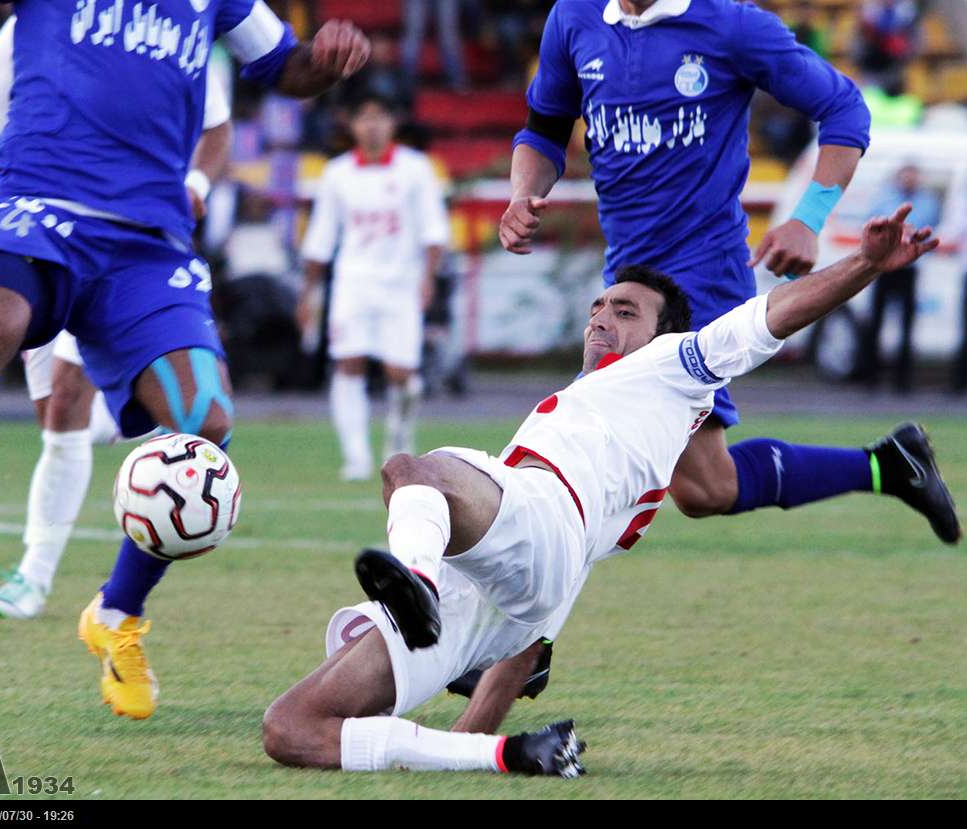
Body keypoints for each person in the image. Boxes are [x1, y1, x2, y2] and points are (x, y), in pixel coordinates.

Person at [0, 0, 369, 723]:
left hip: (147, 239)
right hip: (37, 203)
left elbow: (284, 67)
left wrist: (325, 61)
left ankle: (116, 614)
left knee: (203, 423)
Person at [263, 205, 959, 777]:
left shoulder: (668, 367)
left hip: (520, 528)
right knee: (289, 729)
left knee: (412, 471)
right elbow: (531, 633)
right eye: (598, 305)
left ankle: (410, 580)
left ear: (665, 335)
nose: (601, 315)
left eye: (624, 310)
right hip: (502, 591)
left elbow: (768, 317)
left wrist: (863, 263)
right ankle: (501, 752)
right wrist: (489, 740)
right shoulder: (606, 447)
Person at [498, 0, 902, 532]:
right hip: (627, 273)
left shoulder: (731, 25)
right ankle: (888, 466)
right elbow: (544, 128)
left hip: (699, 275)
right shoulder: (574, 18)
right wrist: (524, 194)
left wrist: (808, 218)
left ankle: (460, 554)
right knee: (706, 487)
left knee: (584, 427)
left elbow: (845, 107)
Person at [0, 16, 234, 620]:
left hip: (130, 248)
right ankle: (129, 427)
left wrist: (196, 180)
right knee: (58, 422)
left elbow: (217, 128)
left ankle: (48, 581)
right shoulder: (29, 26)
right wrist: (14, 194)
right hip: (40, 240)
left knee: (68, 399)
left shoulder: (172, 26)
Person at [299, 93, 450, 480]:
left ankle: (399, 439)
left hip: (401, 284)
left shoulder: (415, 169)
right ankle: (356, 457)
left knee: (403, 374)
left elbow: (434, 231)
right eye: (364, 117)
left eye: (379, 117)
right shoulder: (337, 174)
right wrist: (309, 293)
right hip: (352, 283)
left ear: (392, 122)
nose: (372, 125)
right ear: (351, 125)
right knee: (348, 364)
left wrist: (428, 279)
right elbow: (321, 238)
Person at [857, 162, 941, 392]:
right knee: (876, 322)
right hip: (884, 269)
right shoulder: (884, 197)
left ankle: (902, 380)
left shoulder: (927, 200)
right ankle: (870, 375)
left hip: (909, 269)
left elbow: (930, 225)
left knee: (906, 324)